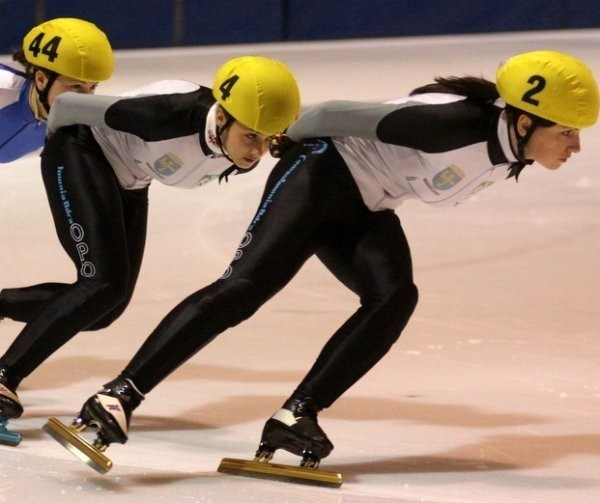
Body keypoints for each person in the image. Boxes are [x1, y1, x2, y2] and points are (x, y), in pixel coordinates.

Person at [47, 50, 598, 468]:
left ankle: (297, 414)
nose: (574, 147)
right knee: (243, 290)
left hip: (367, 202)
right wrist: (288, 141)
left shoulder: (511, 147)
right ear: (525, 121)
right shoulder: (451, 125)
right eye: (566, 132)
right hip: (320, 176)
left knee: (394, 296)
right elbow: (335, 113)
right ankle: (118, 395)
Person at [0, 55, 300, 428]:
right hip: (82, 151)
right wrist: (58, 151)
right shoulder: (169, 112)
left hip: (132, 180)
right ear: (221, 117)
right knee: (100, 285)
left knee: (106, 309)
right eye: (250, 136)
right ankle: (5, 375)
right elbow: (71, 106)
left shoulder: (254, 137)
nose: (257, 152)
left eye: (268, 139)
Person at [0, 17, 113, 163]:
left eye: (93, 87)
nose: (86, 100)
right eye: (76, 86)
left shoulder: (65, 122)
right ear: (41, 80)